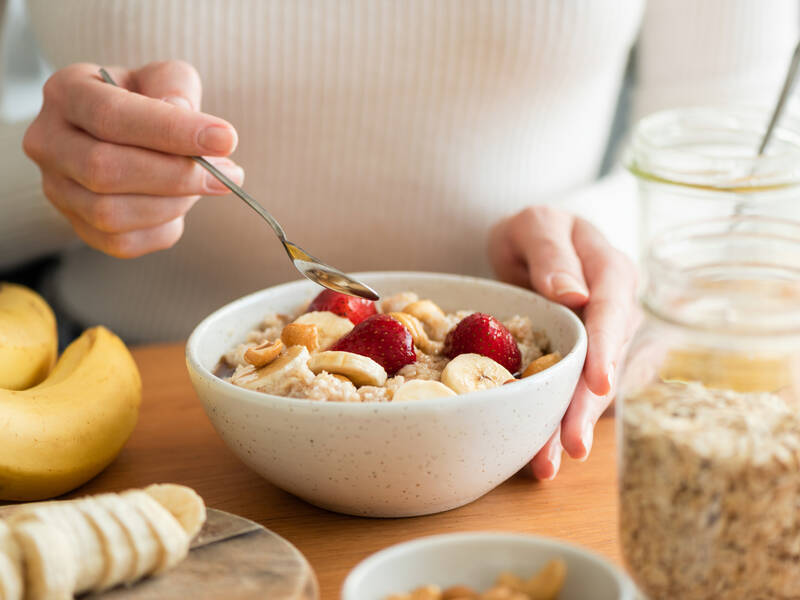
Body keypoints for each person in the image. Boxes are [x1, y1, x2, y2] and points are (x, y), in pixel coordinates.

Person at [1, 0, 797, 480]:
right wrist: (49, 176)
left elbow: (746, 145)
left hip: (523, 429)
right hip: (124, 408)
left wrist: (600, 239)